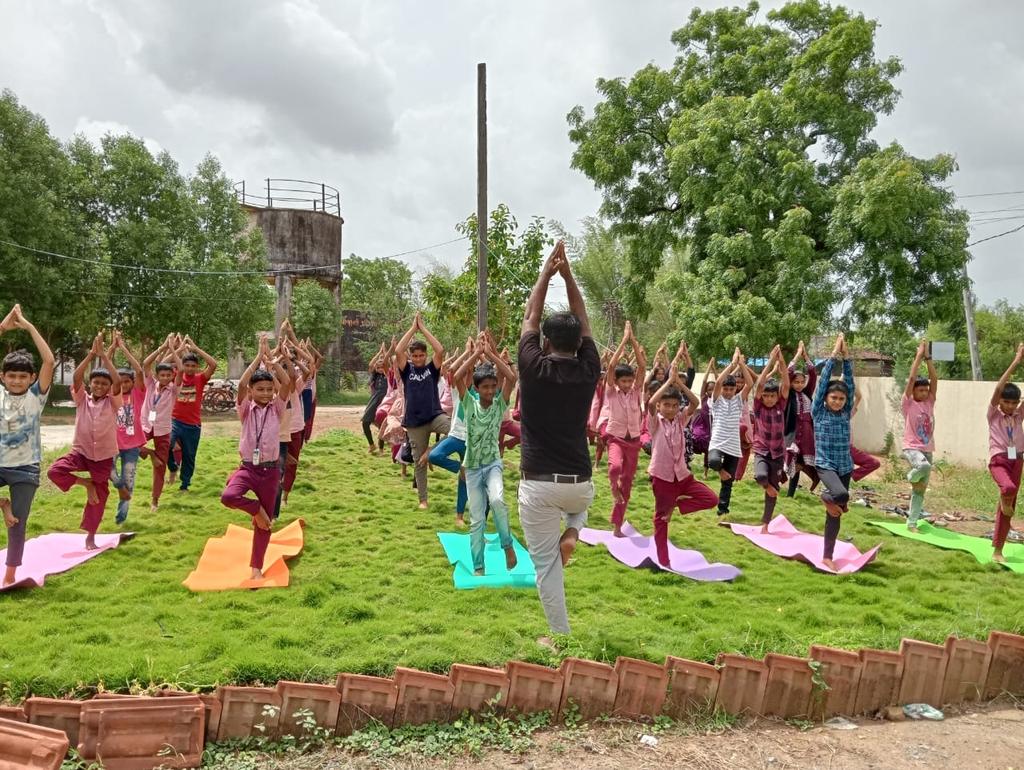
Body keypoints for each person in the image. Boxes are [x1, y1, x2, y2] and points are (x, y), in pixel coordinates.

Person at [517, 242, 601, 648]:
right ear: (577, 343)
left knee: (547, 566)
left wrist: (545, 275)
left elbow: (531, 316)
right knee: (585, 500)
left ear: (546, 342)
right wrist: (568, 277)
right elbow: (583, 321)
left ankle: (559, 638)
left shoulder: (533, 368)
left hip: (539, 487)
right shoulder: (589, 370)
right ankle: (574, 529)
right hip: (578, 483)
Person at [219, 336, 292, 580]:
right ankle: (257, 510)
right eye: (260, 389)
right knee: (229, 496)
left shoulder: (277, 408)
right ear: (251, 391)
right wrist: (258, 359)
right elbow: (241, 385)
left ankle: (256, 568)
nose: (266, 393)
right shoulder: (245, 409)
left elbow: (286, 382)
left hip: (270, 472)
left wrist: (272, 361)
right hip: (248, 468)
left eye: (269, 390)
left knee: (265, 525)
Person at [47, 332, 122, 550]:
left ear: (108, 388)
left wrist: (105, 358)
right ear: (90, 385)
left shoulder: (113, 403)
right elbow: (77, 378)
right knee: (54, 471)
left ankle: (90, 535)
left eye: (103, 384)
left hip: (103, 457)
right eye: (95, 383)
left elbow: (117, 381)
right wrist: (91, 354)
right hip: (80, 452)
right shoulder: (82, 400)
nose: (99, 386)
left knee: (99, 497)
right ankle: (86, 483)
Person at [0, 305, 55, 586]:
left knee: (18, 524)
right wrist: (3, 326)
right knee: (12, 517)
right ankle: (3, 504)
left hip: (25, 468)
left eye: (23, 376)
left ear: (31, 379)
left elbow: (48, 361)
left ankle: (10, 575)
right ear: (3, 377)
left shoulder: (37, 397)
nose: (17, 380)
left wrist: (28, 326)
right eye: (11, 376)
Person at [456, 331, 519, 575]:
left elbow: (511, 378)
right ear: (476, 387)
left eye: (493, 386)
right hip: (472, 467)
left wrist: (491, 354)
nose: (491, 391)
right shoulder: (469, 403)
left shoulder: (499, 404)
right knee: (477, 520)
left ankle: (508, 547)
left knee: (497, 500)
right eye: (486, 387)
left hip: (492, 463)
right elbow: (457, 376)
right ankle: (479, 566)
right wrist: (475, 355)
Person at [646, 362, 718, 567]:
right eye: (666, 405)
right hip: (663, 478)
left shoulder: (680, 419)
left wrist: (679, 383)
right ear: (660, 406)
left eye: (674, 405)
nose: (670, 409)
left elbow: (695, 402)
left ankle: (675, 505)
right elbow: (651, 403)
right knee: (661, 520)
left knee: (711, 498)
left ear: (678, 407)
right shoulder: (655, 422)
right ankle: (664, 561)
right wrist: (668, 381)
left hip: (683, 476)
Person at [395, 312, 450, 510]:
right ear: (411, 357)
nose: (418, 358)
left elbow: (440, 350)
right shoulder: (407, 370)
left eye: (421, 355)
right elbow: (398, 350)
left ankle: (431, 451)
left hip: (435, 415)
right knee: (419, 463)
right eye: (415, 356)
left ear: (425, 355)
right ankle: (423, 500)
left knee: (455, 431)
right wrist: (413, 328)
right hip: (414, 422)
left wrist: (423, 329)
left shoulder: (432, 369)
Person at [811, 334, 854, 571]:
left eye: (841, 398)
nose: (837, 401)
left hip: (845, 465)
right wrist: (833, 356)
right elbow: (823, 380)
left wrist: (846, 359)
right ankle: (825, 496)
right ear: (825, 399)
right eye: (833, 397)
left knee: (836, 513)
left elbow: (851, 382)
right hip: (826, 464)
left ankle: (828, 555)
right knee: (839, 495)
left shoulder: (845, 413)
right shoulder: (820, 412)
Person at [601, 322, 647, 538]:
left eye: (630, 380)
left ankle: (617, 525)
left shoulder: (636, 391)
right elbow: (610, 367)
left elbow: (642, 366)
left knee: (627, 484)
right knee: (614, 468)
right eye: (625, 381)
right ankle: (612, 487)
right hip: (616, 439)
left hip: (634, 441)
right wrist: (623, 340)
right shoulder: (612, 392)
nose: (628, 384)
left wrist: (633, 341)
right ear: (618, 382)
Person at [428, 339, 476, 527]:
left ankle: (459, 516)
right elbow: (453, 370)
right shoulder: (457, 391)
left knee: (464, 482)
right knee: (434, 455)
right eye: (466, 373)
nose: (467, 376)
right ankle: (460, 469)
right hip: (456, 436)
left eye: (470, 373)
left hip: (471, 442)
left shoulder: (478, 394)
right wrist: (468, 353)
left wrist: (478, 355)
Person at [167, 335, 218, 492]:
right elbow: (162, 363)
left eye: (192, 365)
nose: (189, 368)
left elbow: (213, 364)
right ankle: (173, 467)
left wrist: (196, 349)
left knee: (189, 456)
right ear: (182, 366)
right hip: (175, 421)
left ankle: (184, 484)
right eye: (186, 365)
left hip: (193, 425)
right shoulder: (177, 377)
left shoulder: (200, 378)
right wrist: (178, 349)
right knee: (166, 444)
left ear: (197, 367)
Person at [988, 343, 1024, 563]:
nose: (1010, 406)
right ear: (1000, 401)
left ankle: (998, 551)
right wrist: (1016, 361)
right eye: (1006, 402)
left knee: (1007, 510)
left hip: (1017, 460)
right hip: (999, 461)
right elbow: (998, 388)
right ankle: (1005, 498)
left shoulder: (1018, 417)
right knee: (1007, 488)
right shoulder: (993, 415)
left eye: (1014, 403)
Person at [140, 335, 183, 512]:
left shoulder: (174, 389)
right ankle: (152, 454)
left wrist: (173, 349)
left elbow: (180, 369)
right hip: (145, 425)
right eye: (162, 375)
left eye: (168, 375)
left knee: (160, 467)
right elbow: (145, 364)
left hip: (163, 430)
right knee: (130, 446)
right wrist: (161, 347)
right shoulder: (150, 384)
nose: (165, 378)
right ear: (157, 376)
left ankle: (155, 500)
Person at [707, 348, 753, 516]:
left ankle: (723, 510)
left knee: (728, 483)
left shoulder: (739, 401)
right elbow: (718, 382)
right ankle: (721, 472)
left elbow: (750, 384)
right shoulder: (717, 401)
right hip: (717, 442)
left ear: (735, 390)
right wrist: (732, 364)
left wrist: (741, 364)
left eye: (730, 389)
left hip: (733, 445)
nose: (727, 392)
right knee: (713, 461)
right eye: (725, 389)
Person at [108, 332, 146, 525]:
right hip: (111, 444)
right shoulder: (111, 395)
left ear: (132, 383)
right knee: (110, 471)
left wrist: (123, 348)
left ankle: (121, 517)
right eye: (119, 382)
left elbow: (139, 371)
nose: (123, 385)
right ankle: (119, 486)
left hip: (132, 446)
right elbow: (104, 369)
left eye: (126, 382)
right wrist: (111, 349)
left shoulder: (138, 394)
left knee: (129, 479)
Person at [752, 345, 791, 533]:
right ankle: (768, 487)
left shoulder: (781, 405)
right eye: (766, 396)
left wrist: (782, 362)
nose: (768, 399)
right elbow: (759, 384)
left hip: (777, 454)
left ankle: (765, 524)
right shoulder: (758, 407)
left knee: (773, 491)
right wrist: (769, 362)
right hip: (761, 451)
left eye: (771, 396)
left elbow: (786, 383)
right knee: (760, 477)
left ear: (777, 397)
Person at [902, 340, 938, 531]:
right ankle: (911, 476)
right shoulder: (908, 403)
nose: (924, 393)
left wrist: (928, 358)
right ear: (914, 391)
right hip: (911, 446)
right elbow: (910, 378)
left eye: (926, 390)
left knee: (920, 490)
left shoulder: (929, 402)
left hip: (927, 447)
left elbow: (935, 379)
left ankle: (912, 523)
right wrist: (918, 356)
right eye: (920, 390)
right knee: (922, 466)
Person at [785, 341, 818, 497]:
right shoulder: (786, 394)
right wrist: (797, 355)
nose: (799, 385)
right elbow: (787, 372)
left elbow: (813, 374)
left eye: (801, 382)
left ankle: (790, 494)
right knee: (791, 458)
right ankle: (782, 489)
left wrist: (806, 357)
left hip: (806, 432)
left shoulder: (807, 393)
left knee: (800, 463)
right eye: (795, 382)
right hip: (792, 430)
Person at [363, 342, 391, 454]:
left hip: (384, 401)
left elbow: (388, 363)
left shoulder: (388, 375)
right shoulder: (375, 375)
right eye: (378, 367)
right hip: (374, 400)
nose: (380, 368)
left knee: (381, 425)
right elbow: (371, 365)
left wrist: (385, 353)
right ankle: (371, 445)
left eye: (381, 366)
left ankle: (381, 449)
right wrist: (379, 352)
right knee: (365, 422)